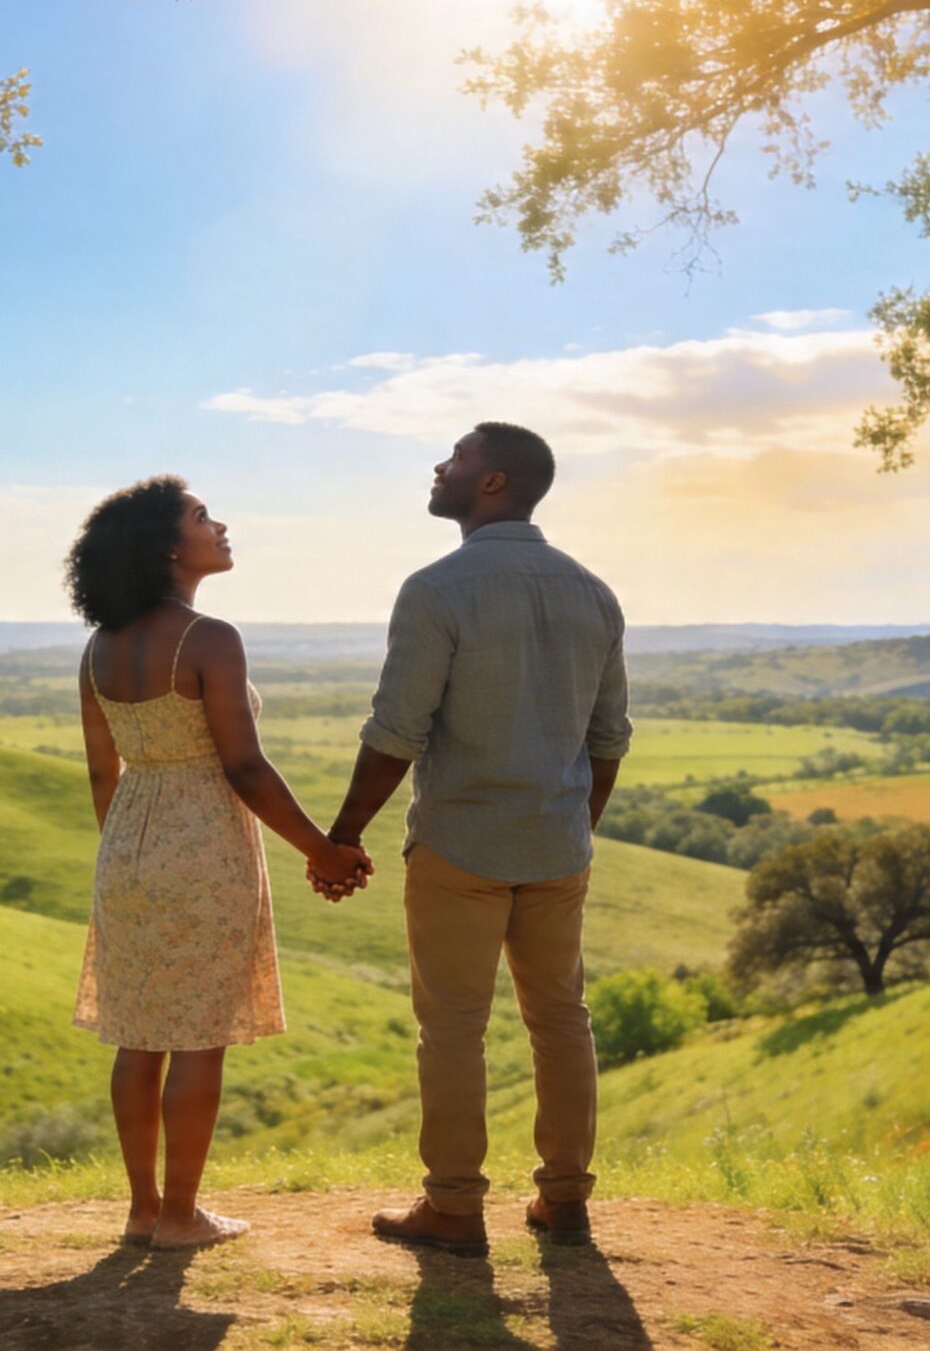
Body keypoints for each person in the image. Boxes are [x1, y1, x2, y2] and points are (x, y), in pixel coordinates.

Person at [320, 422, 631, 1256]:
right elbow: (609, 741)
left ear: (492, 482)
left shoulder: (436, 589)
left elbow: (396, 732)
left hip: (460, 846)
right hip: (557, 849)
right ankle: (564, 1202)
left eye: (454, 457)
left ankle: (454, 1209)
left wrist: (342, 834)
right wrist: (571, 828)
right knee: (562, 1020)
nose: (439, 466)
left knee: (453, 1029)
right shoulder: (594, 593)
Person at [68, 475, 375, 1250]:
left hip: (128, 844)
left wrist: (126, 859)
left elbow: (104, 772)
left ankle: (141, 1211)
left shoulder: (100, 646)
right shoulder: (209, 639)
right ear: (171, 547)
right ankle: (181, 1217)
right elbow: (244, 768)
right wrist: (325, 852)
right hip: (204, 843)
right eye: (204, 517)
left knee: (138, 1035)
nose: (221, 525)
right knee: (200, 1035)